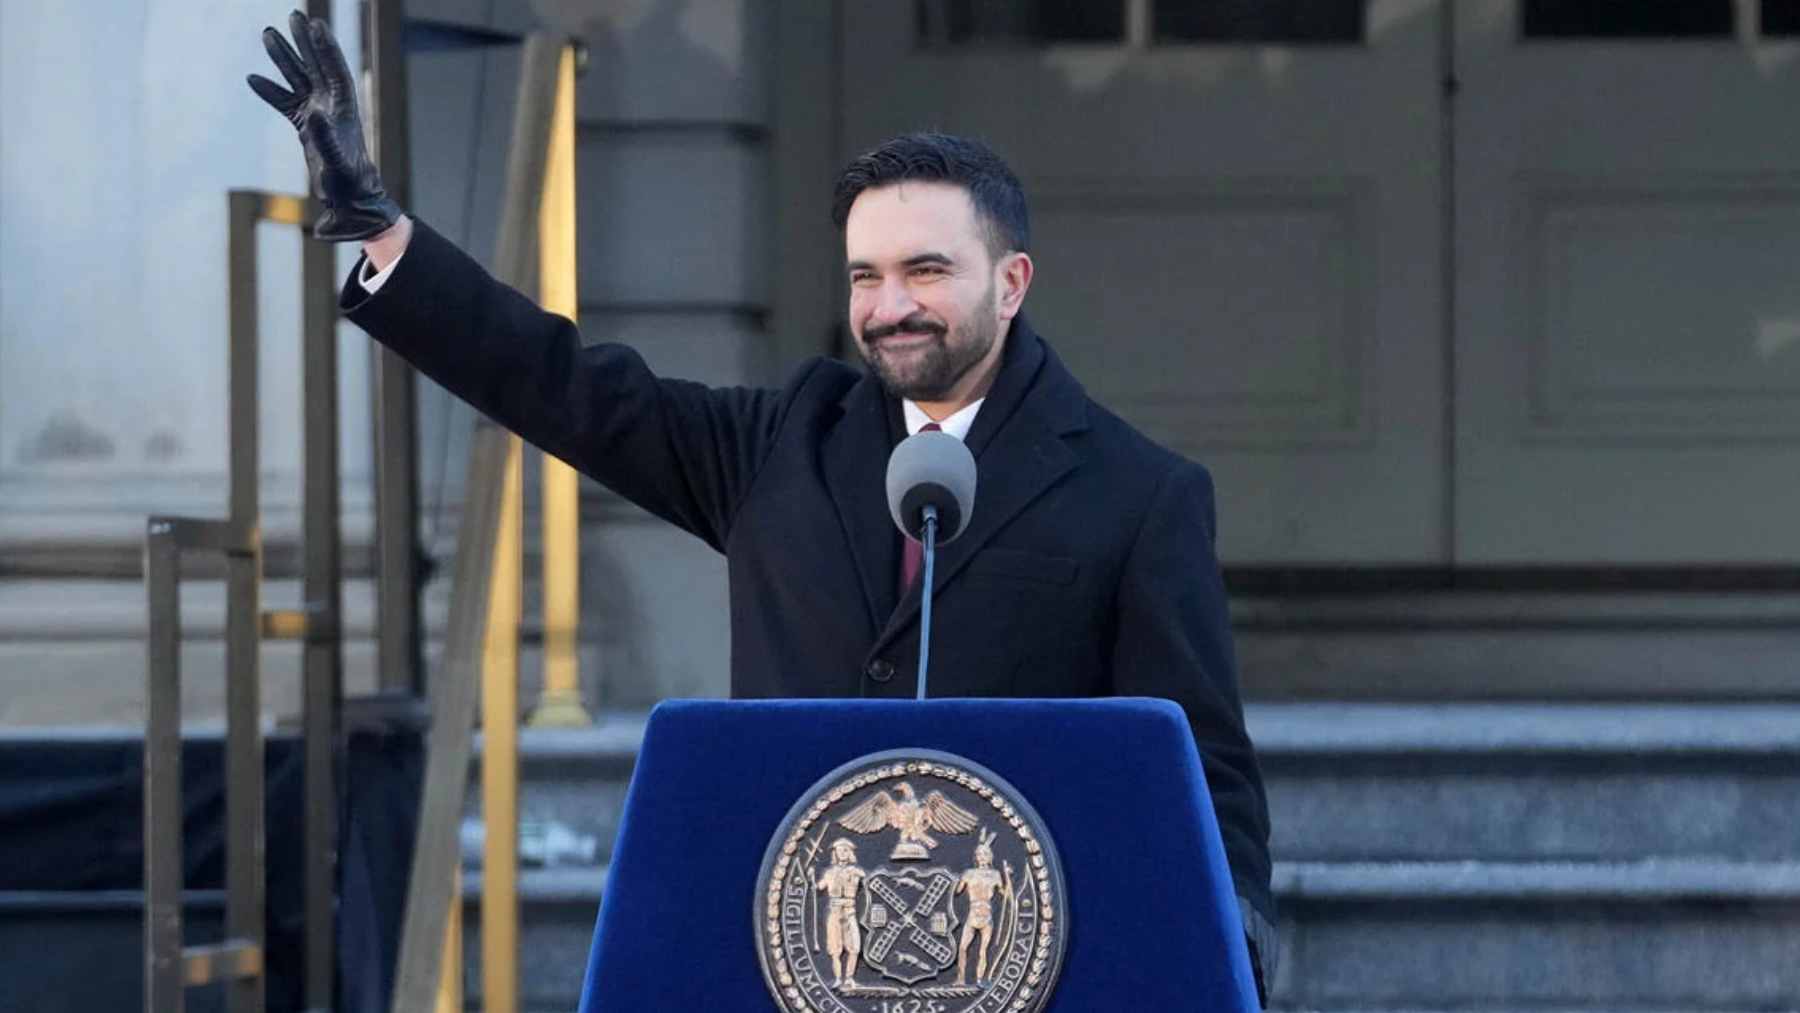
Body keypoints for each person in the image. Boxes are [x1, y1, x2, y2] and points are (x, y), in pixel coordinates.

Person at [251, 12, 1276, 999]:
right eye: (865, 275)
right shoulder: (786, 439)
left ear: (1010, 283)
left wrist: (1231, 945)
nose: (890, 306)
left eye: (927, 270)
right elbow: (563, 386)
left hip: (1026, 961)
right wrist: (388, 236)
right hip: (795, 953)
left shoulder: (1140, 494)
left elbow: (1200, 767)